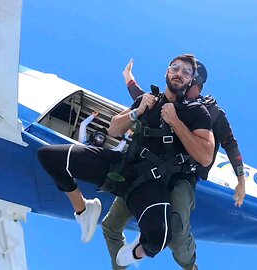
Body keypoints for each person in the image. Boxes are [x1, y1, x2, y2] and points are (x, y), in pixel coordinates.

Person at [37, 54, 214, 264]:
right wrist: (138, 111)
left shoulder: (197, 112)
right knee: (49, 156)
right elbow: (113, 129)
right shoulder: (147, 99)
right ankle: (84, 210)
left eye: (186, 72)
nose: (179, 74)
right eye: (175, 68)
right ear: (167, 71)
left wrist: (175, 120)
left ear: (191, 80)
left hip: (151, 182)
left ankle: (132, 254)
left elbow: (205, 157)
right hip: (122, 167)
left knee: (159, 238)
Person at [102, 59, 246, 270]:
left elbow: (230, 145)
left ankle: (189, 266)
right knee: (110, 225)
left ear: (195, 83)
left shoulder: (210, 112)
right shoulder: (167, 100)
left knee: (177, 234)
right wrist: (128, 77)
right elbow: (140, 96)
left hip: (182, 175)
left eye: (189, 78)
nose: (183, 82)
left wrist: (241, 181)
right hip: (147, 170)